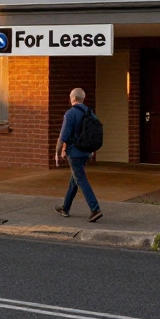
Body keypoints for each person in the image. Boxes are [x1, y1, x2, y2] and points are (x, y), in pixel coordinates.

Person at [55, 87, 102, 222]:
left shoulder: (70, 114)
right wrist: (91, 150)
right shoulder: (90, 113)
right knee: (75, 178)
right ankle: (65, 207)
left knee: (80, 179)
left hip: (74, 153)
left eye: (70, 97)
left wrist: (57, 152)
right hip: (86, 152)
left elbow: (63, 136)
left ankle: (95, 209)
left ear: (73, 98)